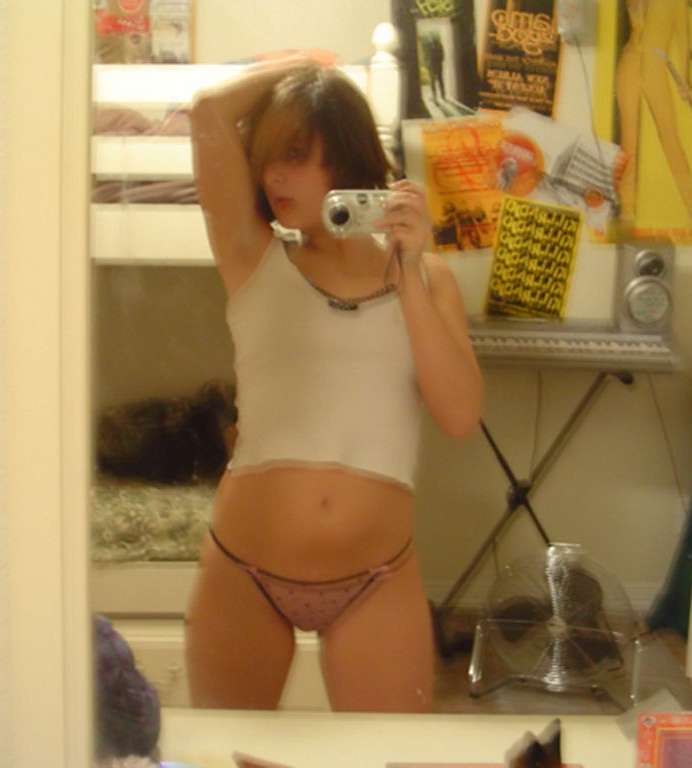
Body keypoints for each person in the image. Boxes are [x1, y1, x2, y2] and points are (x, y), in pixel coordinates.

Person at [184, 57, 483, 712]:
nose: (274, 176)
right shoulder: (252, 256)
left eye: (295, 155)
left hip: (378, 579)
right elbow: (208, 111)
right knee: (230, 754)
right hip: (243, 572)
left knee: (389, 757)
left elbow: (460, 416)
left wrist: (407, 274)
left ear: (345, 155)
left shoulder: (429, 278)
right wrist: (305, 66)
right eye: (268, 157)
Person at [615, 0, 692, 225]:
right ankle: (628, 207)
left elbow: (684, 39)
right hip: (629, 63)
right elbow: (635, 21)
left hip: (655, 70)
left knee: (670, 138)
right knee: (629, 142)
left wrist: (686, 81)